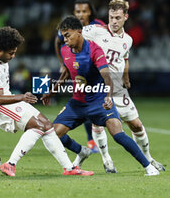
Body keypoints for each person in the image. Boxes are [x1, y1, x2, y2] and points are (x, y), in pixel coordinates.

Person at [42, 16, 159, 176]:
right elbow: (67, 72)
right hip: (77, 103)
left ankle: (149, 167)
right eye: (63, 35)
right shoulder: (64, 50)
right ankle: (82, 151)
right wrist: (52, 91)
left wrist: (108, 96)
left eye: (67, 35)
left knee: (118, 134)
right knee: (53, 134)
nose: (65, 39)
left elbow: (107, 77)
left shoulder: (95, 50)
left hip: (98, 101)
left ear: (79, 32)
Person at [0, 26, 93, 177]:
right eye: (11, 53)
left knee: (47, 125)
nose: (13, 56)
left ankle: (69, 168)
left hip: (7, 98)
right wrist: (22, 97)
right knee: (37, 125)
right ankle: (10, 164)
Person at [82, 0, 165, 171]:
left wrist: (126, 76)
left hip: (118, 88)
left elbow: (124, 58)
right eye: (111, 17)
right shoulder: (94, 31)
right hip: (98, 87)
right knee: (98, 124)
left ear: (126, 17)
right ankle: (107, 160)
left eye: (118, 18)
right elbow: (70, 35)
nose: (113, 21)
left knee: (136, 124)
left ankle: (149, 158)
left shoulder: (128, 39)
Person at [54, 0, 105, 153]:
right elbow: (58, 41)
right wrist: (63, 64)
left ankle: (96, 142)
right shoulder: (70, 27)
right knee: (82, 102)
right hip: (79, 71)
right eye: (78, 11)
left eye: (84, 11)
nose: (81, 14)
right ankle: (91, 142)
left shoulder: (99, 25)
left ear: (90, 12)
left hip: (98, 71)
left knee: (95, 108)